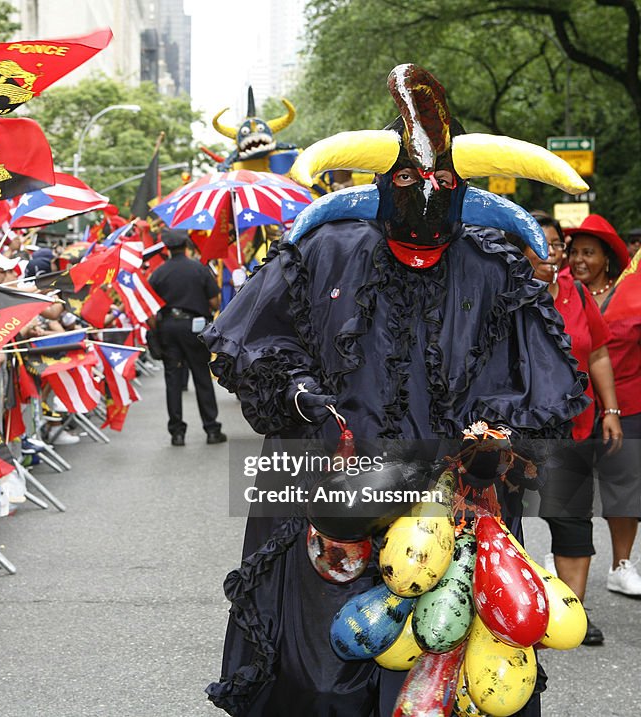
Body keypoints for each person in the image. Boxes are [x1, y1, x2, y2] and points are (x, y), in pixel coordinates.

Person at [203, 64, 589, 716]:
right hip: (332, 488)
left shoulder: (494, 264)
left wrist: (500, 432)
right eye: (410, 177)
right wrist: (299, 394)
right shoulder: (326, 248)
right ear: (383, 180)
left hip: (459, 504)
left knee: (452, 681)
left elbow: (544, 385)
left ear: (465, 186)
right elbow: (251, 341)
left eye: (443, 180)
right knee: (323, 678)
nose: (428, 192)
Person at [512, 211, 620, 646]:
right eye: (541, 245)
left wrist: (610, 409)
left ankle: (572, 615)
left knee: (571, 520)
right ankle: (513, 613)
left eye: (557, 246)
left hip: (572, 428)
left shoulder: (576, 293)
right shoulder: (506, 295)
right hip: (517, 430)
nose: (552, 254)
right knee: (507, 522)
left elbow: (597, 353)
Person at [564, 214, 641, 598]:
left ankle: (621, 564)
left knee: (623, 487)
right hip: (572, 407)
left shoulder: (633, 292)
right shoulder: (558, 290)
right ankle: (563, 559)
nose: (579, 260)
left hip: (624, 404)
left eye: (589, 253)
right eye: (574, 252)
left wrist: (615, 411)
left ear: (607, 258)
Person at [148, 230, 225, 446]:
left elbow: (150, 309)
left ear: (167, 248)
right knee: (201, 377)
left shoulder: (159, 273)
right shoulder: (199, 269)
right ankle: (211, 429)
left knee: (173, 380)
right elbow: (215, 303)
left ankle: (177, 433)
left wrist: (157, 332)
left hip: (168, 327)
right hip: (194, 327)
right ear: (186, 245)